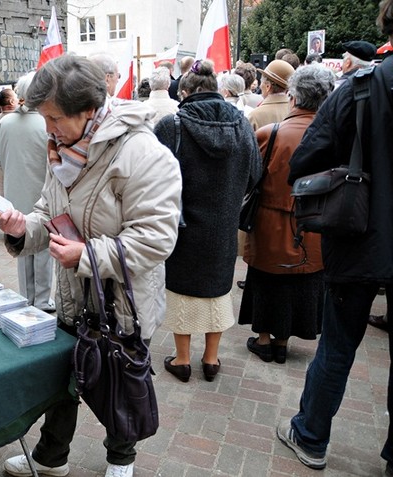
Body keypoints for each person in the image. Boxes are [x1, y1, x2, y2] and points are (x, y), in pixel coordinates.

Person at [0, 54, 181, 477]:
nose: (48, 129)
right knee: (64, 380)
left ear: (89, 110)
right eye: (43, 118)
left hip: (122, 299)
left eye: (54, 118)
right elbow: (49, 210)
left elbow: (156, 238)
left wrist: (89, 256)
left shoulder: (142, 153)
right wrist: (22, 227)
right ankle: (51, 456)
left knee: (120, 375)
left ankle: (122, 457)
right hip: (72, 294)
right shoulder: (62, 148)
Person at [278, 1, 393, 471]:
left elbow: (304, 160)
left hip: (361, 234)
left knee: (339, 344)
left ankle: (310, 436)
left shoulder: (362, 88)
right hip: (363, 239)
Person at [154, 60, 260, 383]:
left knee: (181, 291)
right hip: (224, 226)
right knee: (218, 290)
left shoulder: (171, 126)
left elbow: (153, 177)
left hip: (182, 228)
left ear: (184, 92)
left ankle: (183, 359)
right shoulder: (242, 126)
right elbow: (255, 174)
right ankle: (211, 359)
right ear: (216, 89)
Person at [238, 64, 336, 364]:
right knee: (302, 280)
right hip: (316, 225)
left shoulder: (270, 134)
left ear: (293, 97)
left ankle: (265, 339)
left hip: (270, 222)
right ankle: (282, 341)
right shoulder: (336, 136)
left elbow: (249, 180)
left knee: (268, 279)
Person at [0, 72, 55, 312]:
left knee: (20, 247)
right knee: (42, 249)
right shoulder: (47, 123)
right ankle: (41, 299)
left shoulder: (4, 122)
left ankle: (26, 296)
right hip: (42, 192)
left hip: (13, 192)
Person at [248, 59, 295, 131]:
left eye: (261, 82)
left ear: (268, 86)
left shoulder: (255, 116)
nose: (260, 86)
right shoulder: (297, 111)